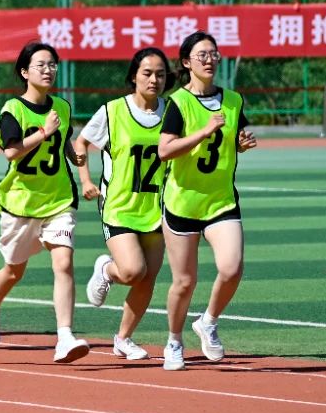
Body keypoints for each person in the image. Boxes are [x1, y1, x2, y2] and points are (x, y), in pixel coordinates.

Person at [0, 42, 90, 363]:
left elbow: (63, 140)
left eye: (52, 64)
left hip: (58, 199)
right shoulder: (13, 109)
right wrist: (43, 131)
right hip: (21, 203)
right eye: (41, 65)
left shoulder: (62, 107)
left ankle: (64, 337)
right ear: (25, 72)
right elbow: (12, 152)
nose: (48, 70)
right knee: (14, 271)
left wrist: (74, 156)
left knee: (63, 263)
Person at [157, 32, 257, 371]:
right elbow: (165, 150)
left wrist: (241, 142)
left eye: (213, 54)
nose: (210, 60)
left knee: (231, 268)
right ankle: (173, 340)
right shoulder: (178, 102)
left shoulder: (233, 100)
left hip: (221, 201)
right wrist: (202, 132)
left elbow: (233, 138)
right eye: (202, 55)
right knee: (184, 282)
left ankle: (208, 321)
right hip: (183, 203)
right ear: (187, 63)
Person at [74, 48, 173, 362]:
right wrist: (86, 181)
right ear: (134, 76)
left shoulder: (173, 112)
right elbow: (81, 142)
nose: (154, 79)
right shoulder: (113, 110)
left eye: (160, 74)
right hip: (118, 205)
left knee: (149, 277)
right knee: (132, 271)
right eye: (147, 73)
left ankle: (123, 339)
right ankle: (106, 269)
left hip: (156, 208)